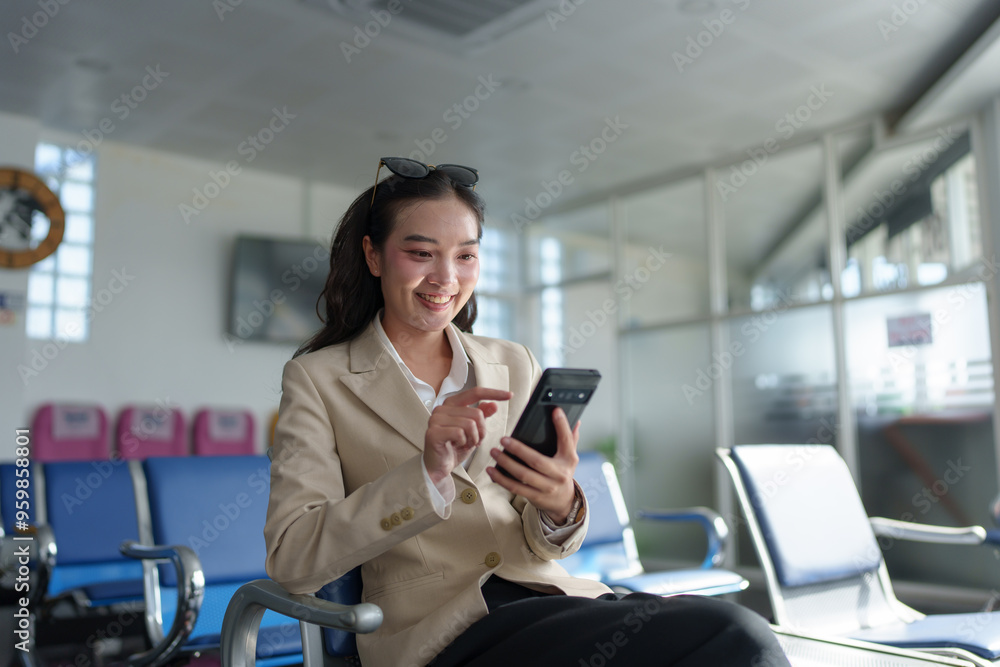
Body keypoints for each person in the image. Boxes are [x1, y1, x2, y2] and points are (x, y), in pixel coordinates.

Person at [264, 157, 790, 667]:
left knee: (725, 635)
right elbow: (293, 559)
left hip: (549, 603)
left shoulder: (512, 362)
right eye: (422, 253)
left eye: (466, 255)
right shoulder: (319, 380)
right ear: (374, 256)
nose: (446, 277)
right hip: (443, 634)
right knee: (732, 633)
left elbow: (545, 538)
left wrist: (559, 501)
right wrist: (426, 473)